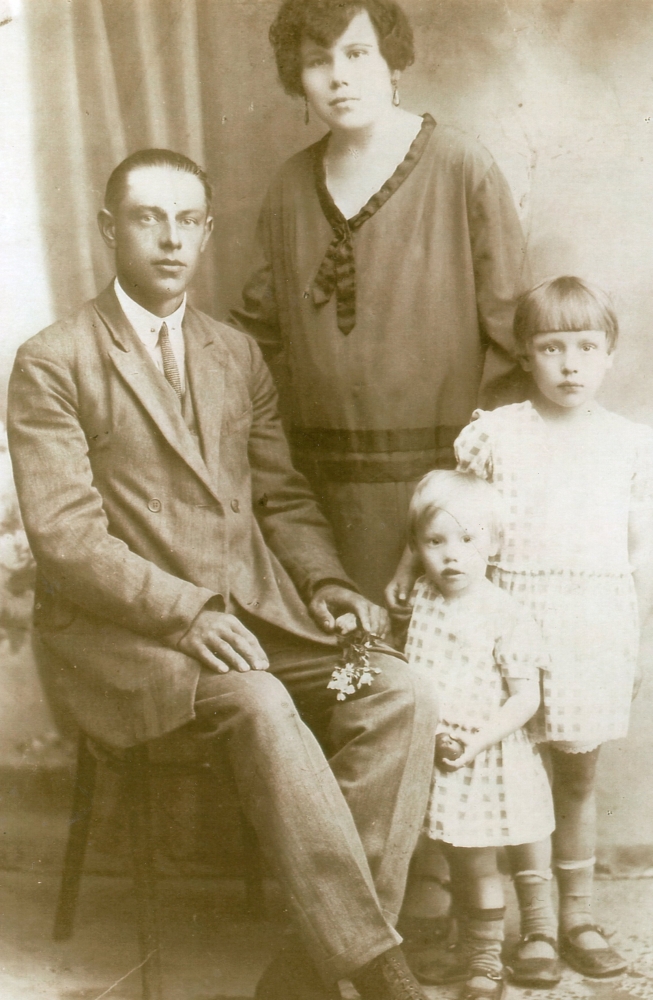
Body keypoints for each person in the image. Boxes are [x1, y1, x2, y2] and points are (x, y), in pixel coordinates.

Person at [7, 148, 440, 1000]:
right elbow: (65, 538)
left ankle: (311, 968)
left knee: (398, 691)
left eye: (187, 220)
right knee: (261, 698)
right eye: (147, 217)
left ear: (205, 233)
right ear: (108, 229)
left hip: (263, 623)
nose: (170, 239)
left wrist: (325, 586)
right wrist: (184, 614)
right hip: (130, 640)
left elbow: (280, 499)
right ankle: (376, 968)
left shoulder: (235, 355)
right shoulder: (53, 361)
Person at [390, 275, 653, 979]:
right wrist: (409, 568)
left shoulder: (630, 444)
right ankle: (511, 926)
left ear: (608, 355)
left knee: (573, 777)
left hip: (593, 625)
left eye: (585, 347)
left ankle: (575, 916)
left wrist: (639, 642)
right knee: (497, 774)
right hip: (501, 624)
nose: (569, 364)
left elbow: (639, 556)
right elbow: (445, 512)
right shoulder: (496, 434)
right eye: (550, 347)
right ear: (525, 354)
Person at [228, 0, 529, 607]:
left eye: (357, 53)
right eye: (317, 61)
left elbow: (513, 341)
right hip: (320, 496)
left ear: (394, 63)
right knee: (346, 673)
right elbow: (257, 345)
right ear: (297, 77)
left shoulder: (461, 166)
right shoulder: (289, 188)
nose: (338, 76)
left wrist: (471, 488)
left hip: (446, 502)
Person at [402, 470, 556, 1000]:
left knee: (478, 862)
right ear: (416, 547)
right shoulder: (421, 597)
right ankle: (456, 943)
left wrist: (475, 741)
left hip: (484, 754)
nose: (452, 557)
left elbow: (525, 697)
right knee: (441, 855)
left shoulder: (504, 612)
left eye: (468, 541)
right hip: (436, 751)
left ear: (492, 543)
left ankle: (485, 962)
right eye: (435, 542)